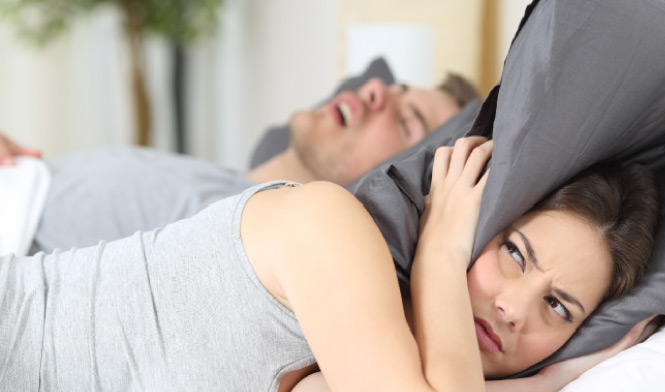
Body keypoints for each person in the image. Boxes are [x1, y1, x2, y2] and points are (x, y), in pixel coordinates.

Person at [0, 136, 660, 392]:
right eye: (512, 252)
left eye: (556, 305)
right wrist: (439, 251)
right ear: (472, 217)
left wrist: (543, 381)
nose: (513, 306)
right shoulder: (329, 224)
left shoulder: (375, 359)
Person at [0, 73, 478, 254]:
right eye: (394, 88)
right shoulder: (215, 177)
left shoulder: (242, 239)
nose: (377, 89)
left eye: (409, 121)